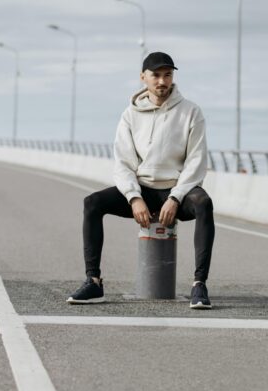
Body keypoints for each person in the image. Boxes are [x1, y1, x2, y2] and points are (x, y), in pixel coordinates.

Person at [67, 52, 216, 309]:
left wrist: (174, 197)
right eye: (156, 75)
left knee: (204, 203)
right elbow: (123, 162)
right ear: (143, 77)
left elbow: (196, 162)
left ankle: (199, 284)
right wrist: (134, 198)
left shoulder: (191, 112)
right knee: (92, 202)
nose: (162, 81)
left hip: (177, 192)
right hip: (142, 191)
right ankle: (93, 281)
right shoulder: (130, 115)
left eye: (167, 75)